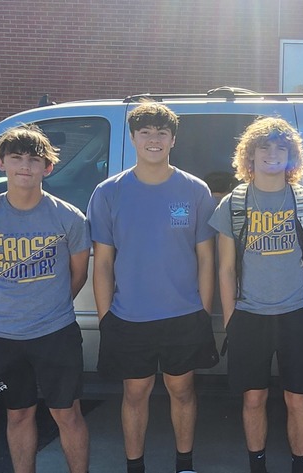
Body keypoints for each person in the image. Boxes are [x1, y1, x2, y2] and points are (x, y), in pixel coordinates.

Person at [87, 101, 218, 473]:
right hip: (129, 317)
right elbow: (104, 262)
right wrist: (105, 318)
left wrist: (203, 312)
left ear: (173, 139)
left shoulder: (195, 190)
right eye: (145, 132)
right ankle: (135, 466)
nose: (154, 140)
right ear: (133, 138)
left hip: (183, 314)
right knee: (134, 393)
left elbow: (206, 258)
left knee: (182, 391)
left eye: (162, 133)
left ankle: (185, 465)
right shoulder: (109, 192)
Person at [0, 124, 91, 473]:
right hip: (2, 337)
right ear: (1, 163)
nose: (25, 166)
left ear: (48, 167)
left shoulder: (68, 217)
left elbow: (79, 275)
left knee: (67, 413)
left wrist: (48, 307)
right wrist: (11, 309)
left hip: (56, 333)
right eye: (16, 158)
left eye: (35, 159)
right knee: (18, 415)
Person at [209, 116, 303, 473]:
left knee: (298, 399)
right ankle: (257, 465)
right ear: (250, 154)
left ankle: (299, 465)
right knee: (253, 398)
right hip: (249, 316)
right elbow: (225, 269)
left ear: (292, 157)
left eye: (281, 148)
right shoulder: (234, 203)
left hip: (297, 315)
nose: (273, 154)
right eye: (264, 147)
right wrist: (232, 319)